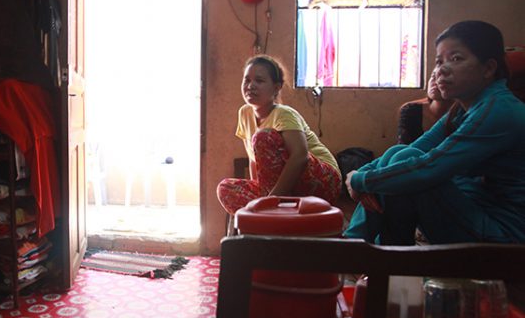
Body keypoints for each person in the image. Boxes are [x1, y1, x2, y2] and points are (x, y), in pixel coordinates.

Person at [344, 20, 525, 245]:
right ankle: (364, 248)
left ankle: (364, 250)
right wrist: (361, 173)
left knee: (407, 164)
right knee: (399, 152)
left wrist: (362, 180)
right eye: (439, 61)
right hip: (471, 212)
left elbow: (432, 166)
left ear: (488, 68)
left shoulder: (497, 110)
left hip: (502, 235)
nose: (442, 69)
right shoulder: (465, 107)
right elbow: (417, 147)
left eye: (456, 58)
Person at [217, 54, 341, 216]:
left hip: (324, 182)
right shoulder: (245, 113)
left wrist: (271, 198)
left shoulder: (284, 114)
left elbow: (300, 156)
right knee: (225, 188)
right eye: (247, 80)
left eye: (259, 81)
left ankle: (272, 210)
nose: (250, 86)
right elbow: (255, 161)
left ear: (276, 87)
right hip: (285, 191)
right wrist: (262, 194)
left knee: (263, 137)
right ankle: (272, 215)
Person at [397, 67, 453, 144]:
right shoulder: (411, 111)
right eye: (433, 76)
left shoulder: (465, 113)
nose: (436, 82)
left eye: (444, 78)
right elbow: (404, 148)